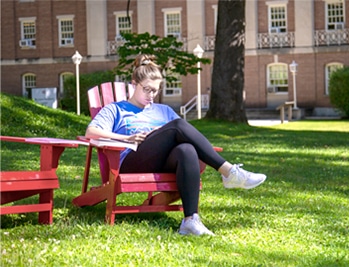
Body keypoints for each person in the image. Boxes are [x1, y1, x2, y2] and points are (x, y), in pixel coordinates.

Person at [85, 54, 266, 236]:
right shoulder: (116, 109)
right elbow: (91, 132)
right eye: (147, 89)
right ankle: (228, 172)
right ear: (134, 84)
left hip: (162, 163)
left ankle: (190, 220)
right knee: (177, 126)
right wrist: (126, 138)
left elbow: (186, 136)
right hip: (131, 162)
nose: (151, 95)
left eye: (155, 91)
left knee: (186, 149)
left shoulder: (163, 110)